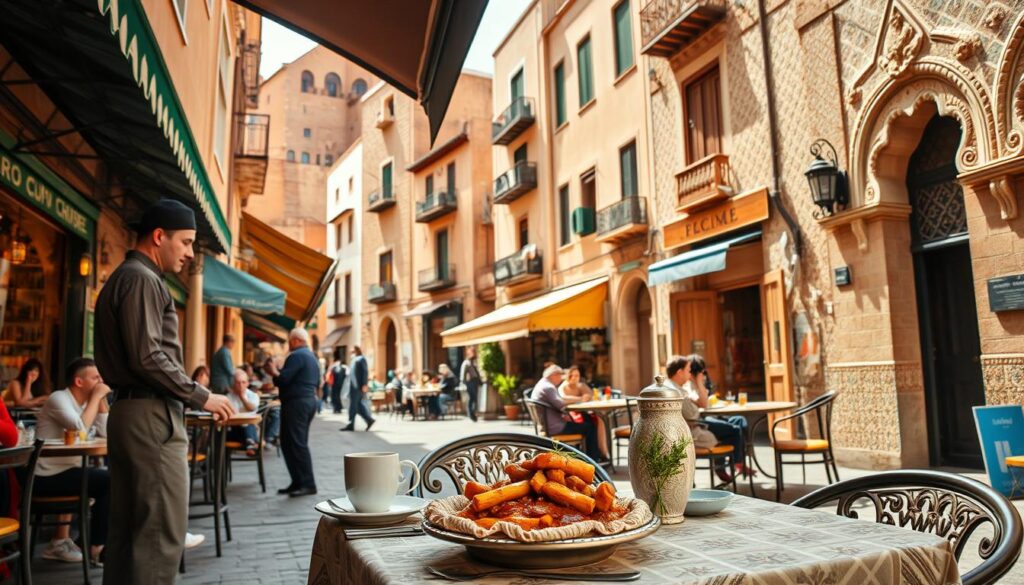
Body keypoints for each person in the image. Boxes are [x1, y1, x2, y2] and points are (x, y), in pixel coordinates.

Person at [95, 198, 235, 584]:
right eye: (186, 242)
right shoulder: (142, 278)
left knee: (129, 537)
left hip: (133, 413)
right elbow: (148, 356)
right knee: (159, 536)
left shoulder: (128, 276)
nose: (190, 253)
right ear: (159, 237)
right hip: (150, 417)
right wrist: (202, 395)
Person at [34, 358, 111, 566]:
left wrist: (101, 401)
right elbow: (79, 431)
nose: (101, 382)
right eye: (96, 378)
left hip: (67, 471)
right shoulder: (59, 398)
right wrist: (97, 397)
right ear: (79, 382)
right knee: (108, 481)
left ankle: (82, 542)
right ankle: (95, 546)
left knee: (110, 479)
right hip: (43, 476)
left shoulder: (86, 404)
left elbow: (107, 433)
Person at [264, 328, 319, 496]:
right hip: (306, 402)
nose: (289, 344)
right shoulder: (311, 356)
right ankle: (298, 482)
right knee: (289, 443)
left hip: (297, 404)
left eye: (290, 341)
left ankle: (307, 484)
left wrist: (273, 371)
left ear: (296, 340)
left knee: (296, 443)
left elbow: (283, 379)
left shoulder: (297, 356)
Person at [530, 364, 602, 462]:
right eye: (560, 375)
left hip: (547, 426)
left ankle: (583, 459)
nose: (561, 378)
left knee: (584, 424)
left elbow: (559, 403)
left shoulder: (541, 384)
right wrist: (580, 399)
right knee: (590, 427)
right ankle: (593, 461)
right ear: (554, 375)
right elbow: (561, 405)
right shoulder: (548, 387)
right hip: (556, 428)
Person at [665, 355, 717, 451]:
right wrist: (695, 407)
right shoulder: (678, 392)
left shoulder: (671, 386)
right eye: (688, 371)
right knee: (724, 434)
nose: (690, 375)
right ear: (680, 373)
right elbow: (692, 415)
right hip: (686, 436)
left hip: (676, 433)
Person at [558, 366, 609, 459]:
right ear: (567, 376)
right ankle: (594, 456)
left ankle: (602, 452)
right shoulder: (563, 386)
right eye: (572, 375)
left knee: (599, 421)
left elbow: (591, 395)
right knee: (592, 425)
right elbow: (562, 398)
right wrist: (581, 398)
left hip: (582, 412)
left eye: (577, 375)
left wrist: (587, 396)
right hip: (570, 416)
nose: (574, 378)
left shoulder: (580, 385)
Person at [341, 346, 375, 431]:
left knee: (353, 405)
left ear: (356, 351)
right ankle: (369, 420)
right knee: (358, 405)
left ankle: (351, 424)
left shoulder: (361, 359)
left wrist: (364, 384)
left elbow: (365, 372)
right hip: (353, 386)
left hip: (358, 387)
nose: (351, 353)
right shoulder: (354, 360)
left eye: (352, 351)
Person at [227, 370, 260, 456]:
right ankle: (251, 444)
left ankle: (250, 444)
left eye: (243, 382)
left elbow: (252, 409)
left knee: (248, 424)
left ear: (247, 383)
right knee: (218, 434)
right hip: (234, 430)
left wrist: (242, 397)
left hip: (250, 429)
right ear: (233, 384)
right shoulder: (228, 397)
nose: (241, 385)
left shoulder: (253, 395)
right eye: (238, 383)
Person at [459, 348, 481, 422]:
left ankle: (473, 414)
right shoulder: (466, 363)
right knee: (471, 398)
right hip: (469, 382)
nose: (474, 354)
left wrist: (479, 381)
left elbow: (476, 372)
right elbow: (463, 374)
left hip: (475, 381)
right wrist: (463, 383)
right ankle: (471, 414)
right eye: (472, 352)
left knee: (474, 398)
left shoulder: (473, 362)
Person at [328, 350, 347, 414]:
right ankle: (338, 408)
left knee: (335, 396)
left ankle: (336, 408)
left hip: (335, 384)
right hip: (339, 384)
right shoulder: (344, 367)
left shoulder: (333, 367)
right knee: (338, 396)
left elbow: (329, 374)